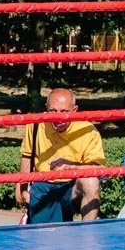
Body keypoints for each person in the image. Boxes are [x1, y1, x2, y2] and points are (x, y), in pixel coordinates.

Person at [14, 88, 104, 223]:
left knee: (91, 181)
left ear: (74, 110)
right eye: (53, 111)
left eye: (64, 112)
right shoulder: (35, 124)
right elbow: (27, 156)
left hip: (72, 185)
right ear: (46, 108)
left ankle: (88, 231)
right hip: (43, 184)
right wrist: (21, 189)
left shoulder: (88, 130)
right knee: (45, 233)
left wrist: (71, 166)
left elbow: (98, 169)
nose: (58, 117)